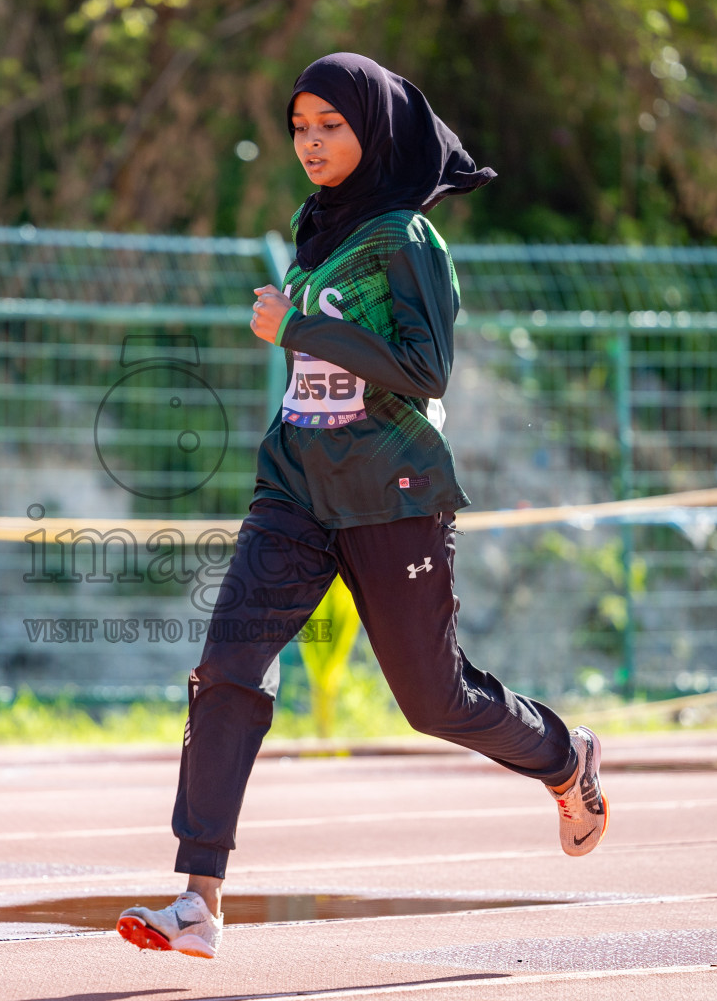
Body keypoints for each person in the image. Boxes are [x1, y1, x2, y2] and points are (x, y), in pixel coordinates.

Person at [115, 53, 608, 961]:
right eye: (299, 124)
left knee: (432, 700)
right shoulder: (318, 226)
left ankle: (562, 756)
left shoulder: (407, 240)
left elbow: (424, 370)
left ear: (371, 130)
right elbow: (331, 361)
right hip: (295, 488)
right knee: (227, 666)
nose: (309, 140)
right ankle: (198, 899)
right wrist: (301, 340)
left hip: (392, 494)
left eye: (329, 125)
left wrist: (295, 326)